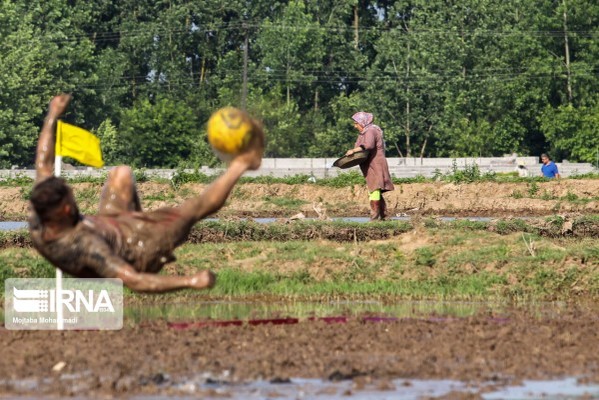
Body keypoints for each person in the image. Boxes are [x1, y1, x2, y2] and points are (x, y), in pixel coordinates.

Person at [28, 94, 264, 292]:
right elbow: (134, 280)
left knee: (120, 174)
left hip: (109, 223)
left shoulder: (43, 205)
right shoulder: (84, 247)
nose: (73, 196)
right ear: (66, 209)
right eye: (72, 196)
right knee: (195, 208)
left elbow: (43, 161)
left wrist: (53, 114)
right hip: (137, 249)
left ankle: (140, 219)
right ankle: (243, 163)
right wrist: (191, 281)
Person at [345, 111, 394, 220]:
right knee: (374, 188)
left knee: (375, 188)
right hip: (370, 164)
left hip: (376, 163)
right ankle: (384, 216)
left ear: (362, 122)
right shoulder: (364, 132)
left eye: (356, 123)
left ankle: (375, 217)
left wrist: (353, 150)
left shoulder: (371, 131)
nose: (355, 126)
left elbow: (369, 145)